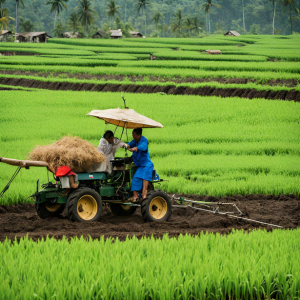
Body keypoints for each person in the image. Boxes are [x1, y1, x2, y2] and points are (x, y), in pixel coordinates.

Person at [126, 128, 154, 202]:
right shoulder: (134, 141)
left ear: (139, 135)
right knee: (134, 181)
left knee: (145, 177)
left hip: (147, 165)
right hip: (140, 166)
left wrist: (136, 148)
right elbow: (129, 144)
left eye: (134, 135)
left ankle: (144, 194)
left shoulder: (144, 140)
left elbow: (143, 146)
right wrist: (124, 145)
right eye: (132, 134)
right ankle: (136, 197)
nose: (133, 136)